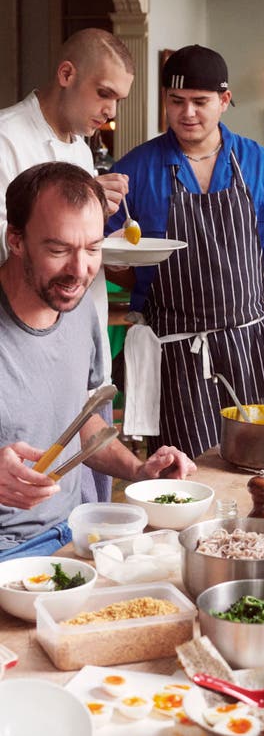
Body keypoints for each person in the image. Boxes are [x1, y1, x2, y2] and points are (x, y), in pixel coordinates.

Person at [106, 45, 264, 459]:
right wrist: (145, 279)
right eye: (176, 101)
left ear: (224, 100)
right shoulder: (135, 171)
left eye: (200, 102)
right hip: (176, 352)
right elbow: (107, 252)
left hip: (251, 345)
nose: (188, 113)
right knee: (185, 474)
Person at [0, 162, 195, 559]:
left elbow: (80, 418)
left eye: (92, 248)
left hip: (72, 536)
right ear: (15, 239)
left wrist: (139, 471)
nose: (80, 270)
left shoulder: (81, 307)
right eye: (58, 250)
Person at [0, 28, 135, 501]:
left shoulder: (80, 147)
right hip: (20, 343)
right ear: (66, 74)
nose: (111, 111)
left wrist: (96, 237)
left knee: (84, 465)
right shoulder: (6, 138)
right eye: (104, 93)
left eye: (118, 99)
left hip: (80, 328)